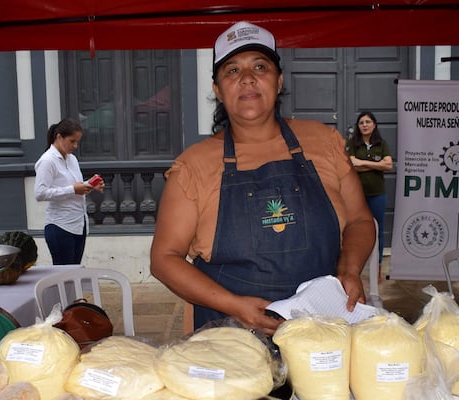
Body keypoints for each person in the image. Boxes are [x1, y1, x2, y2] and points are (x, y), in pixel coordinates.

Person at [150, 21, 376, 336]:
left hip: (321, 329)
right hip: (230, 332)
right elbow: (164, 258)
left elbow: (360, 221)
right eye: (232, 71)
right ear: (217, 89)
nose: (247, 78)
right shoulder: (193, 165)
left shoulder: (325, 142)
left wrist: (349, 270)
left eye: (260, 66)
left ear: (279, 80)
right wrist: (233, 305)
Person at [34, 118, 104, 265]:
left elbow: (74, 187)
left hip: (79, 223)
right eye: (72, 141)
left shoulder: (72, 159)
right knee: (63, 277)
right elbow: (40, 193)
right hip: (60, 225)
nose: (75, 146)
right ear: (59, 137)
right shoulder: (47, 161)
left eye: (77, 141)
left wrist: (89, 185)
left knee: (73, 275)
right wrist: (73, 189)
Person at [346, 111, 393, 277]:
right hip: (356, 195)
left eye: (368, 122)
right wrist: (376, 164)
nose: (364, 125)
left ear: (374, 124)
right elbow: (351, 165)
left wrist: (363, 162)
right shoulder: (352, 143)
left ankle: (378, 269)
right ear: (358, 126)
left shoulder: (381, 143)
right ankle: (353, 271)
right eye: (361, 122)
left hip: (377, 194)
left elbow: (388, 166)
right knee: (352, 231)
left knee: (377, 230)